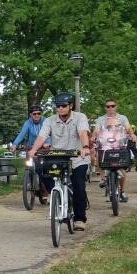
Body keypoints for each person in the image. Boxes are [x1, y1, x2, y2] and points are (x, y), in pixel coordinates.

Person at [26, 91, 91, 230]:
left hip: (78, 157)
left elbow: (82, 133)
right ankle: (55, 193)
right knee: (40, 168)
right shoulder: (49, 120)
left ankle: (80, 218)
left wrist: (85, 147)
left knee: (79, 186)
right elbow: (42, 136)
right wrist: (33, 150)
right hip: (58, 156)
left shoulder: (80, 117)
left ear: (70, 106)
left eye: (63, 105)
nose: (60, 108)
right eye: (58, 106)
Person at [93, 99, 134, 201]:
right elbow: (96, 130)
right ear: (105, 108)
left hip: (119, 144)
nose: (110, 108)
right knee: (99, 154)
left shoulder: (123, 118)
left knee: (122, 168)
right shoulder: (101, 119)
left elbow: (128, 128)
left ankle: (122, 192)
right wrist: (93, 137)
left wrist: (132, 134)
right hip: (105, 144)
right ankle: (103, 178)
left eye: (112, 106)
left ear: (116, 106)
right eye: (108, 106)